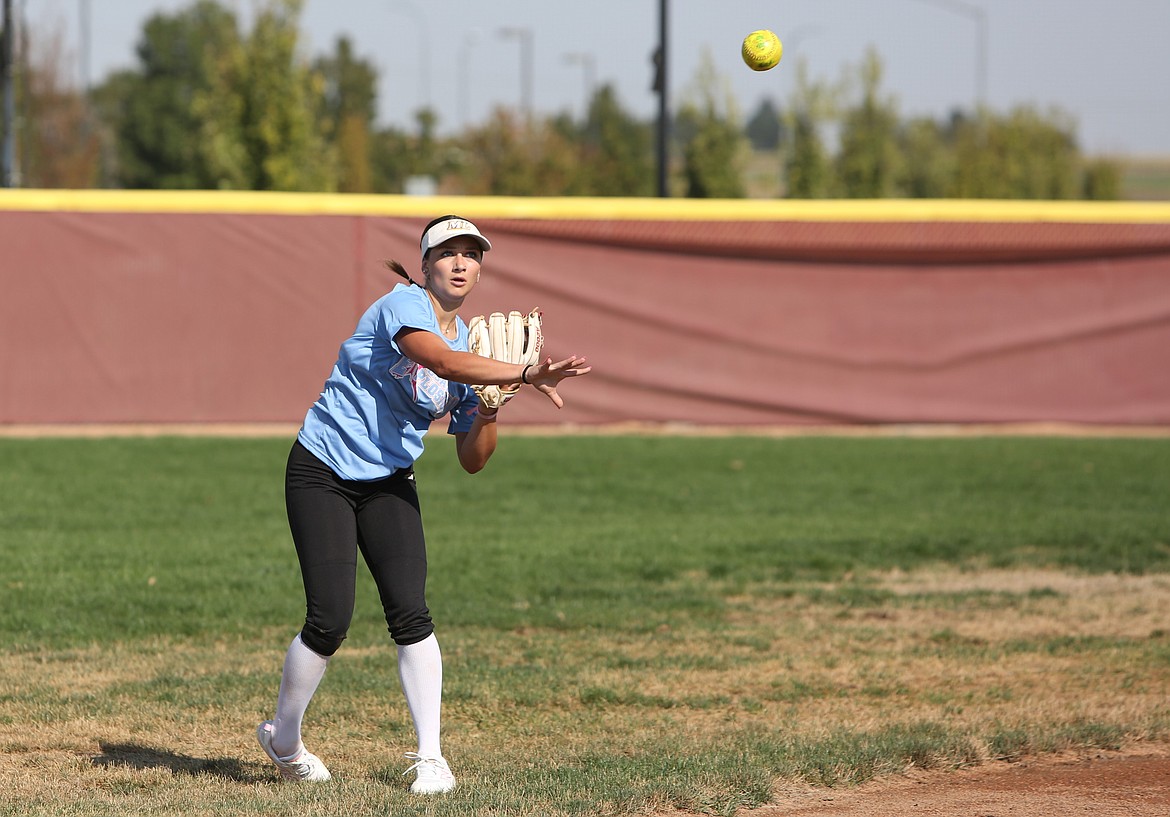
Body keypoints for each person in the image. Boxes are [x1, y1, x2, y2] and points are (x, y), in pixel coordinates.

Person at [256, 214, 590, 792]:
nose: (461, 263)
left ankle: (431, 757)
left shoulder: (476, 351)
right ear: (426, 265)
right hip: (323, 469)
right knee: (330, 620)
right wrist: (526, 371)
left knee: (411, 614)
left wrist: (490, 404)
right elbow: (437, 360)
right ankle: (285, 740)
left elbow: (473, 458)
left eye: (472, 254)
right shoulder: (400, 305)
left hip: (389, 478)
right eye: (448, 253)